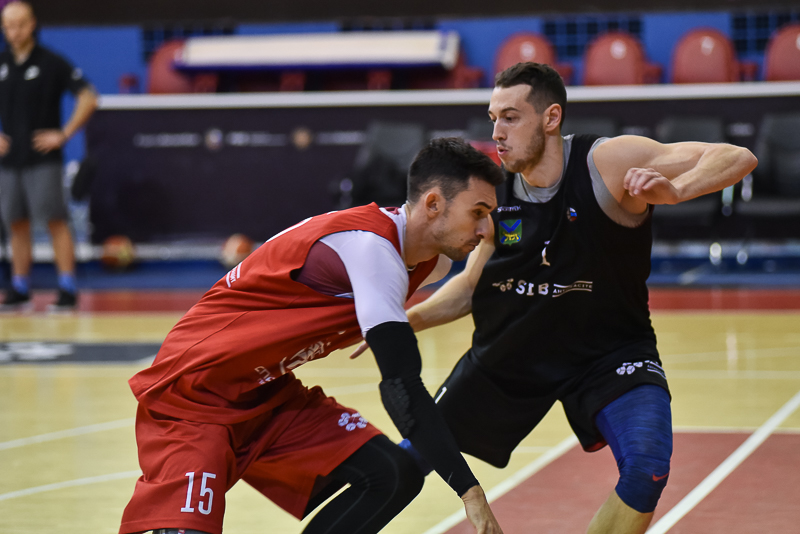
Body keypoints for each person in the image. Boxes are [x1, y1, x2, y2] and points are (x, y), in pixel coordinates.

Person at [370, 63, 758, 533]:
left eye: (511, 117)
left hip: (609, 353)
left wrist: (676, 191)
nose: (497, 133)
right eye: (493, 118)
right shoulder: (495, 191)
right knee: (411, 458)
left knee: (648, 466)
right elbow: (471, 287)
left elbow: (736, 156)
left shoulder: (607, 162)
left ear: (551, 118)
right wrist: (399, 323)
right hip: (512, 354)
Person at [119, 138, 506, 534]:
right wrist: (470, 492)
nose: (484, 228)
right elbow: (401, 388)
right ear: (433, 203)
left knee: (391, 475)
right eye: (477, 212)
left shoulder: (430, 262)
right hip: (195, 391)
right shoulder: (372, 249)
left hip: (265, 393)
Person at [0, 1, 97, 310]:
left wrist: (64, 134)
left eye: (19, 24)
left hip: (43, 159)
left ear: (31, 25)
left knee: (55, 220)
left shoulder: (51, 62)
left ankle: (67, 287)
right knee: (15, 223)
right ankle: (20, 287)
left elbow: (88, 96)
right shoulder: (2, 63)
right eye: (8, 26)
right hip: (9, 160)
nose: (14, 32)